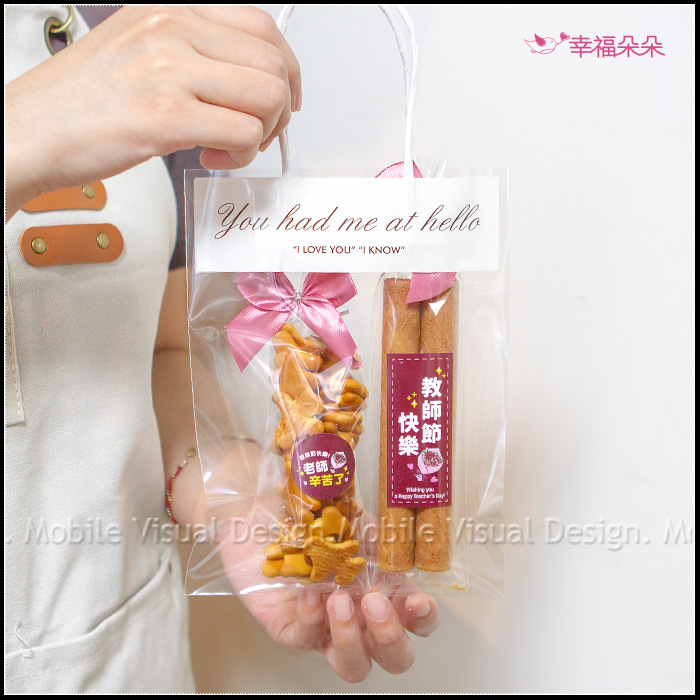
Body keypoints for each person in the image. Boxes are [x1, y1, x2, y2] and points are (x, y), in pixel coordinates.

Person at [5, 6, 440, 692]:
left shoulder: (125, 28)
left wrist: (233, 492)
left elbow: (159, 350)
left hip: (125, 653)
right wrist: (26, 126)